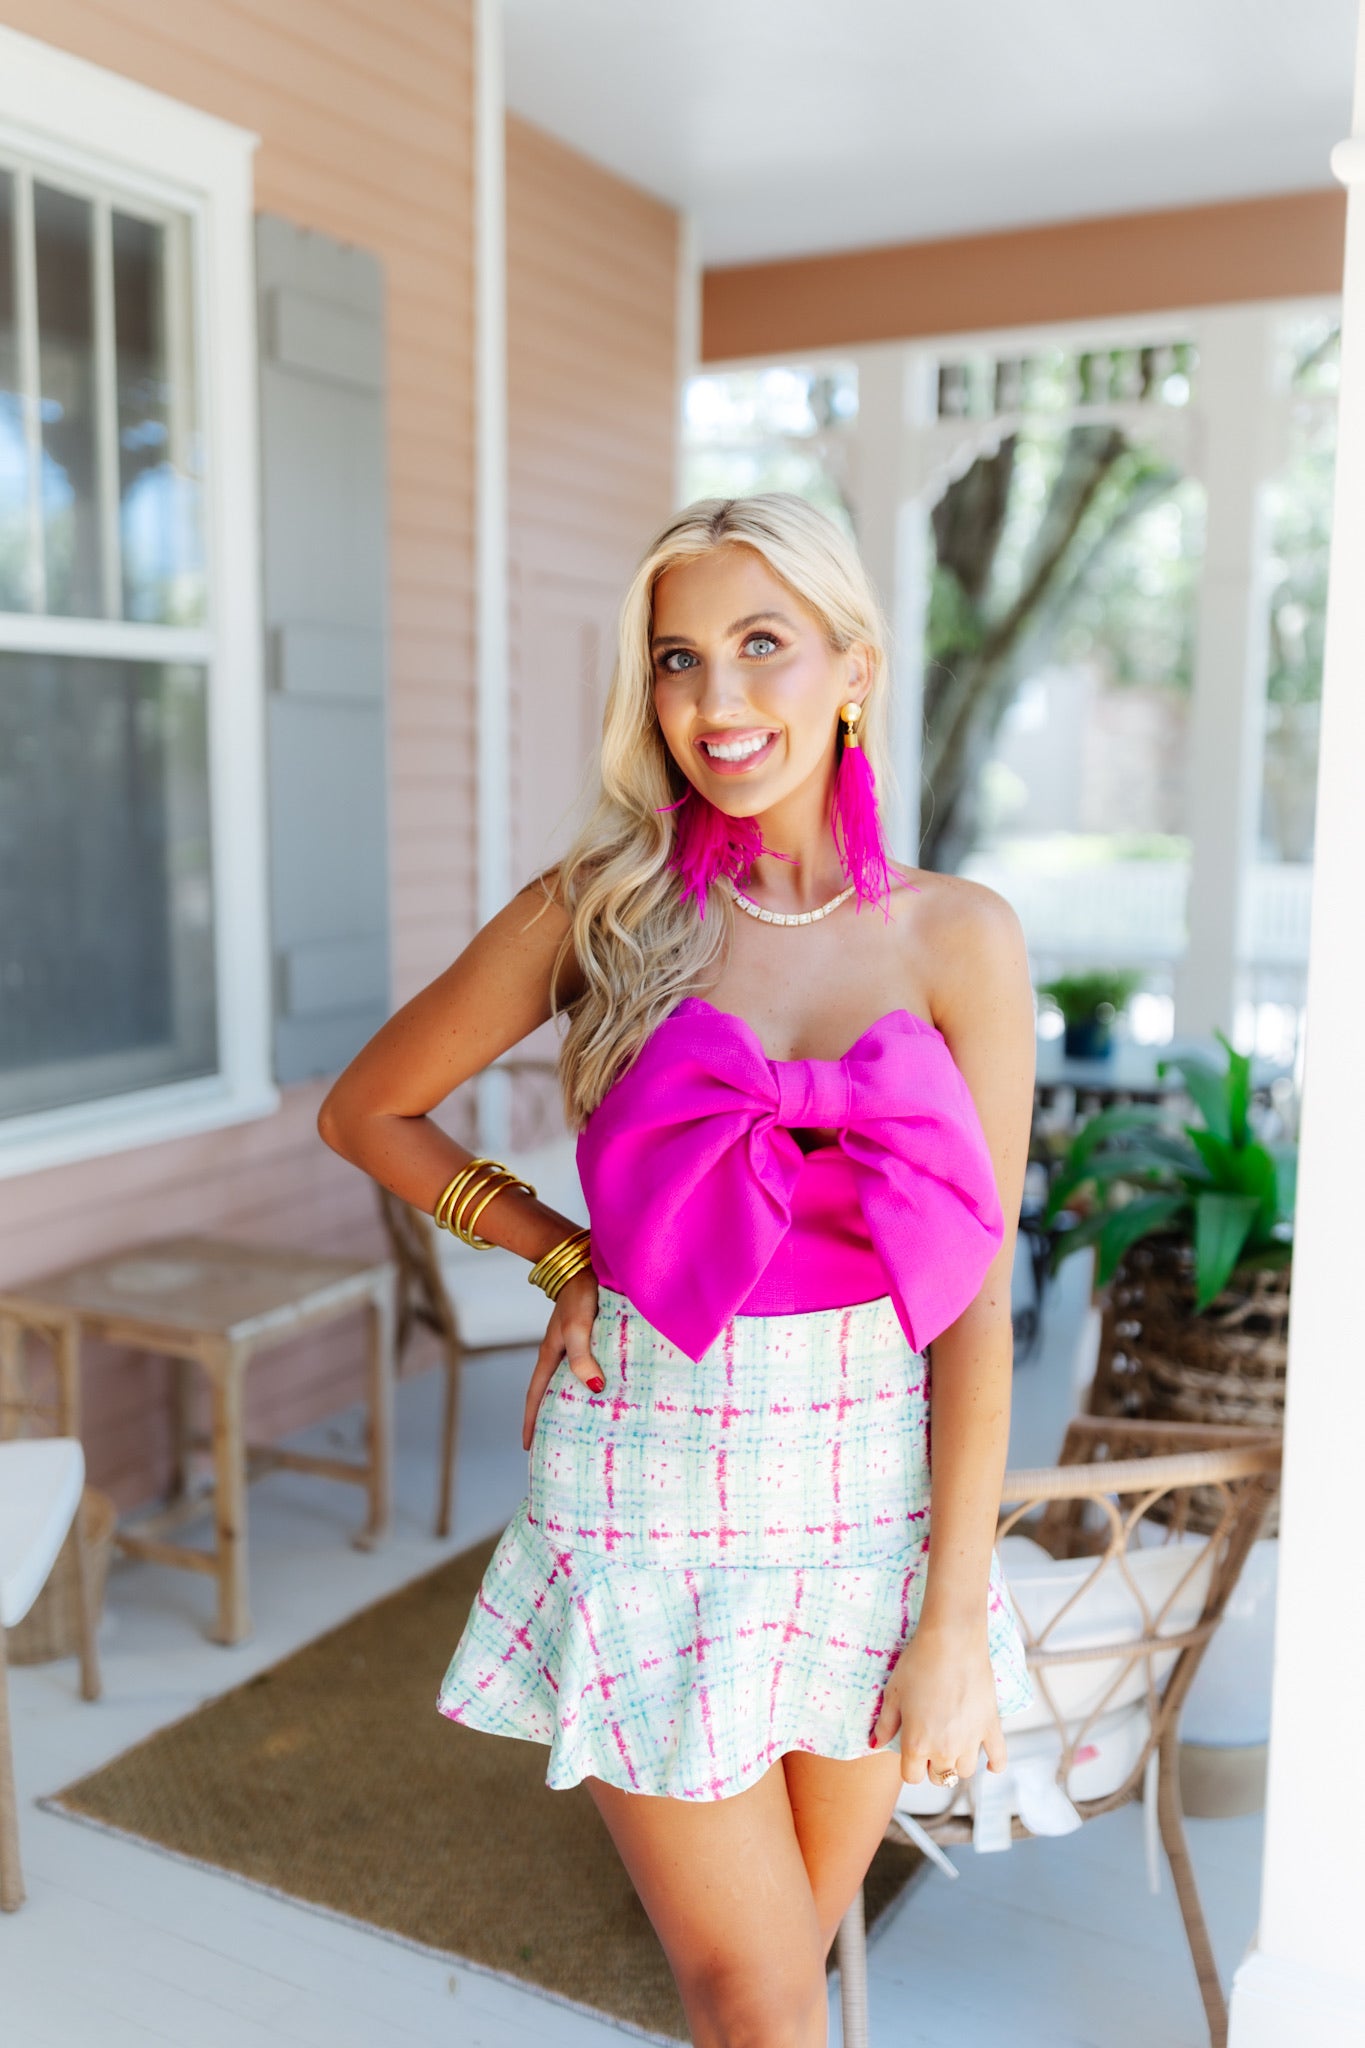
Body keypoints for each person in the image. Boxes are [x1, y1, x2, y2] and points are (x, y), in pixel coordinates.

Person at [318, 492, 1036, 2047]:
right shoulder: (603, 909)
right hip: (646, 1482)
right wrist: (560, 1247)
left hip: (866, 1502)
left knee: (784, 1970)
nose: (716, 702)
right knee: (754, 1998)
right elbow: (368, 1109)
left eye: (760, 649)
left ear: (851, 668)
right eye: (677, 659)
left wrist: (955, 1617)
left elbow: (976, 1297)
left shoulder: (959, 939)